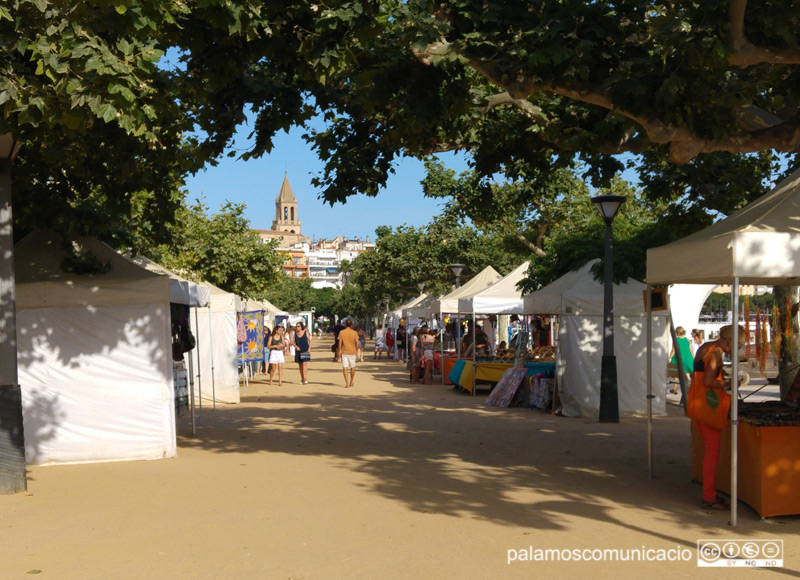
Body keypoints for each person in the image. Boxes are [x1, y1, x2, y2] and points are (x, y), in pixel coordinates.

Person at [689, 324, 745, 511]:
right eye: (737, 345)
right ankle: (709, 496)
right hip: (708, 406)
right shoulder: (715, 353)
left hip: (698, 403)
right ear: (729, 341)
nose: (736, 349)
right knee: (712, 453)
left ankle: (709, 493)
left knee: (710, 451)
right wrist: (729, 383)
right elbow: (708, 381)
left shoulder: (706, 346)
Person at [668, 326, 694, 395]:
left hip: (680, 359)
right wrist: (693, 358)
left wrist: (670, 358)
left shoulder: (676, 340)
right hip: (688, 358)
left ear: (676, 332)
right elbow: (691, 350)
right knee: (687, 374)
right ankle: (689, 388)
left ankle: (675, 389)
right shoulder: (688, 340)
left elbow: (673, 351)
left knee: (676, 374)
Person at [338, 319, 360, 388]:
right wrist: (356, 350)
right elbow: (357, 343)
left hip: (344, 351)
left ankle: (347, 383)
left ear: (345, 324)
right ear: (351, 325)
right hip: (352, 352)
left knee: (345, 367)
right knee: (352, 367)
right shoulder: (354, 332)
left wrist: (339, 351)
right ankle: (351, 381)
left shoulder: (342, 332)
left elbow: (340, 343)